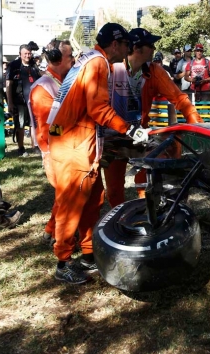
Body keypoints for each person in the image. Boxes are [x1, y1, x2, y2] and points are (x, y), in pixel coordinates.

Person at [46, 23, 151, 284]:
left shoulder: (90, 60)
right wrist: (129, 129)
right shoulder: (99, 64)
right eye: (126, 44)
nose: (129, 49)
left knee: (93, 199)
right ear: (115, 45)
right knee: (71, 206)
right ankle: (63, 262)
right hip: (73, 144)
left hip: (77, 141)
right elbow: (99, 110)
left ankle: (88, 253)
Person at [103, 27, 203, 208]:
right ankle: (120, 221)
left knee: (150, 177)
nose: (154, 49)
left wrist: (198, 126)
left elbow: (179, 98)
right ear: (137, 48)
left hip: (139, 134)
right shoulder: (110, 67)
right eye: (151, 45)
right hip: (111, 135)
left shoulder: (155, 71)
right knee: (114, 189)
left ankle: (148, 215)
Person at [28, 39, 74, 245]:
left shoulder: (58, 82)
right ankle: (58, 236)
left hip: (65, 146)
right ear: (56, 58)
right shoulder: (44, 88)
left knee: (64, 194)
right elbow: (49, 129)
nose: (74, 59)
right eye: (70, 56)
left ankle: (52, 230)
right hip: (55, 150)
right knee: (65, 194)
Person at [6, 43, 41, 157]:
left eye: (29, 53)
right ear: (20, 54)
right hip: (19, 100)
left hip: (34, 101)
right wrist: (10, 102)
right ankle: (21, 148)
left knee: (33, 124)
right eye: (25, 53)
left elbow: (41, 77)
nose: (28, 55)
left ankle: (34, 146)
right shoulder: (14, 65)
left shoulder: (34, 65)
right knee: (20, 124)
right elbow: (9, 84)